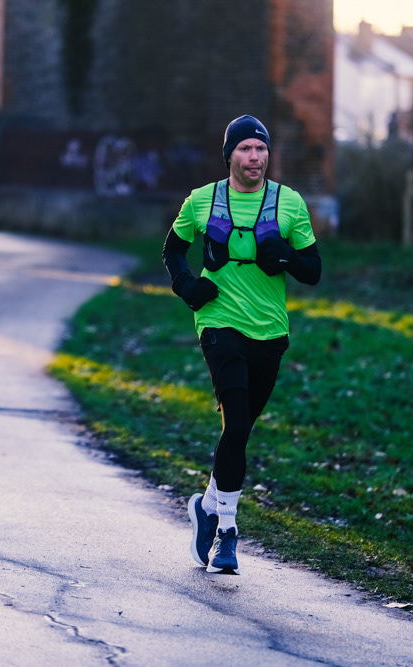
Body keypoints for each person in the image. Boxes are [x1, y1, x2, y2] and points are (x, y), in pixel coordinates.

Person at [162, 115, 322, 574]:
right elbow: (173, 250)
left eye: (261, 148)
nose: (255, 157)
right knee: (235, 421)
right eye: (246, 149)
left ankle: (207, 506)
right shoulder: (202, 200)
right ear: (229, 155)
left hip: (269, 330)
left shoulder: (289, 203)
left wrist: (286, 257)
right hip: (218, 322)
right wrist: (186, 286)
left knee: (240, 429)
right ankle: (228, 533)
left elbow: (313, 270)